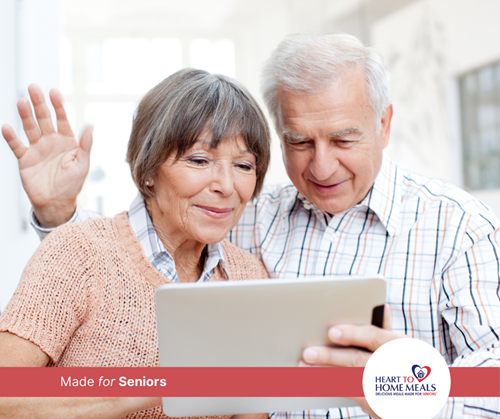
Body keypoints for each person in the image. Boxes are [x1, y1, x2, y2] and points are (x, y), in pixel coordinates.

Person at [3, 33, 500, 418]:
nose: (322, 167)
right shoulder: (254, 215)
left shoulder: (458, 227)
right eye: (299, 142)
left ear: (384, 125)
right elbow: (133, 250)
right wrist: (60, 216)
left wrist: (404, 386)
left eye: (344, 140)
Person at [0, 69, 271, 419]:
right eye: (199, 160)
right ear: (149, 169)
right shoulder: (80, 251)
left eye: (244, 165)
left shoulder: (249, 278)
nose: (226, 185)